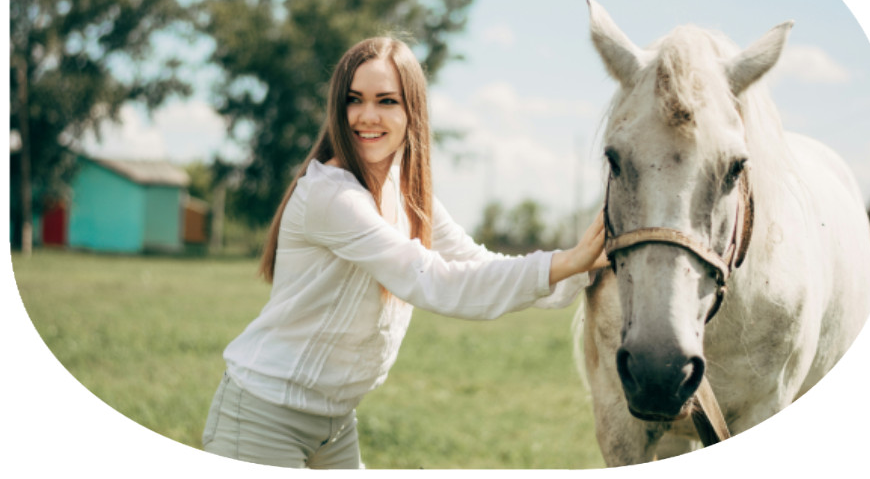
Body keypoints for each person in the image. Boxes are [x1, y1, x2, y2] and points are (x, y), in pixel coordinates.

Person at [201, 36, 608, 469]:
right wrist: (567, 261)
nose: (367, 116)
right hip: (264, 417)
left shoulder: (411, 194)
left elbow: (475, 263)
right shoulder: (331, 196)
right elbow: (432, 280)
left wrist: (584, 268)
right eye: (354, 100)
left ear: (412, 110)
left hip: (335, 424)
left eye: (387, 101)